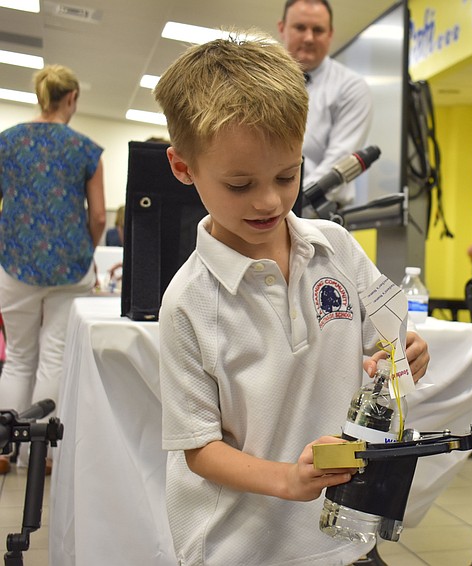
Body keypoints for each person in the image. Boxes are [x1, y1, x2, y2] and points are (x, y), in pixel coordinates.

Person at [152, 32, 429, 565]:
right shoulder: (189, 302)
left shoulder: (337, 248)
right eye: (240, 185)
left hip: (343, 538)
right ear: (183, 168)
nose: (269, 201)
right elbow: (199, 448)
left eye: (287, 175)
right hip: (241, 548)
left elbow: (386, 336)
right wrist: (287, 479)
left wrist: (406, 352)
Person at [0, 64, 106, 475]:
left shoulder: (7, 142)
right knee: (54, 357)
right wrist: (86, 250)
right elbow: (99, 216)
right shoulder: (85, 149)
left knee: (18, 356)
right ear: (72, 98)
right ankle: (40, 455)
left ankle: (4, 450)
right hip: (70, 267)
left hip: (15, 262)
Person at [278, 0, 373, 209]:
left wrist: (288, 204)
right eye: (300, 27)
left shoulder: (350, 87)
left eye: (318, 30)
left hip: (317, 213)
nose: (309, 38)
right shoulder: (261, 82)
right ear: (282, 28)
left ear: (330, 34)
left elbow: (337, 163)